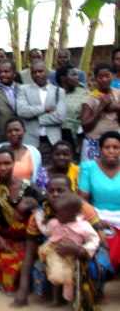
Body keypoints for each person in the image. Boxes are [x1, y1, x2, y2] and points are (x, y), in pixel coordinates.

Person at [12, 175, 111, 308]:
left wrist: (79, 250)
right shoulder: (39, 216)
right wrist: (22, 291)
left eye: (60, 190)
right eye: (51, 191)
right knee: (41, 273)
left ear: (71, 192)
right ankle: (58, 297)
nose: (55, 194)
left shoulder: (84, 209)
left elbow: (100, 239)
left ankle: (95, 292)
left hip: (85, 251)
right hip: (56, 254)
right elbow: (30, 253)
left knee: (98, 265)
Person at [0, 147, 45, 295]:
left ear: (14, 164)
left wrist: (29, 239)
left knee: (20, 257)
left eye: (7, 163)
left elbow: (46, 213)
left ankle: (15, 285)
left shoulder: (31, 189)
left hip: (26, 238)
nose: (3, 168)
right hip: (1, 236)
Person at [37, 193, 100, 307]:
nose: (57, 216)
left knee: (69, 283)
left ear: (73, 214)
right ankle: (56, 300)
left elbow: (94, 240)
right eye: (57, 213)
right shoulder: (54, 223)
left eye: (61, 214)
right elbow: (47, 231)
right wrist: (38, 217)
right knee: (55, 278)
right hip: (55, 257)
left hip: (71, 259)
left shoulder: (83, 226)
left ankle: (70, 304)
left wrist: (81, 250)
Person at [79, 131, 120, 270]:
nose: (111, 151)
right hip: (96, 215)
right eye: (107, 147)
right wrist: (94, 218)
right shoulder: (88, 167)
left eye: (116, 147)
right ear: (100, 149)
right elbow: (83, 199)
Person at [17, 59, 66, 165]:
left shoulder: (58, 91)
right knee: (30, 175)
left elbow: (60, 116)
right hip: (30, 142)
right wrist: (44, 109)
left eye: (40, 71)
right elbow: (21, 111)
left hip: (51, 142)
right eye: (34, 72)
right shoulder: (23, 89)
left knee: (49, 175)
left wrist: (37, 118)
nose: (37, 74)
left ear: (47, 72)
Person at [81, 63, 120, 162]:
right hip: (94, 142)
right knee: (94, 174)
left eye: (107, 76)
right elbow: (85, 126)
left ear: (112, 76)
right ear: (95, 78)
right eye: (100, 77)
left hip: (114, 142)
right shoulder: (90, 98)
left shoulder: (118, 94)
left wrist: (117, 107)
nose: (104, 80)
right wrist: (100, 108)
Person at [0, 117, 42, 183]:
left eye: (17, 130)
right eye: (9, 131)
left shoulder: (34, 153)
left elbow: (37, 177)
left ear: (24, 131)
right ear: (6, 133)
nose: (13, 133)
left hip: (27, 192)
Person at [55, 64, 89, 155]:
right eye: (73, 75)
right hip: (60, 137)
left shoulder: (83, 92)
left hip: (80, 138)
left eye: (77, 75)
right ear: (63, 78)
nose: (77, 77)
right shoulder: (54, 94)